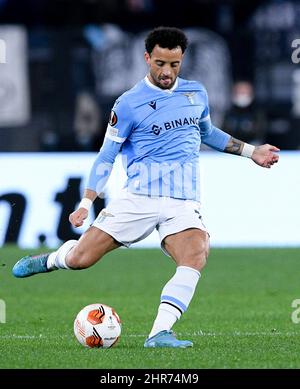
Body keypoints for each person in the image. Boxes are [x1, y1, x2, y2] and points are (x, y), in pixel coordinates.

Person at [12, 27, 280, 348]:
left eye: (174, 64)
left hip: (183, 200)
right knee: (81, 259)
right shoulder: (127, 104)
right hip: (138, 199)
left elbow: (208, 133)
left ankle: (160, 333)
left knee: (195, 254)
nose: (167, 71)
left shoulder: (196, 93)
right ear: (147, 58)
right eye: (160, 63)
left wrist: (252, 152)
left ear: (182, 61)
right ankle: (51, 260)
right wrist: (86, 202)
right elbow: (106, 156)